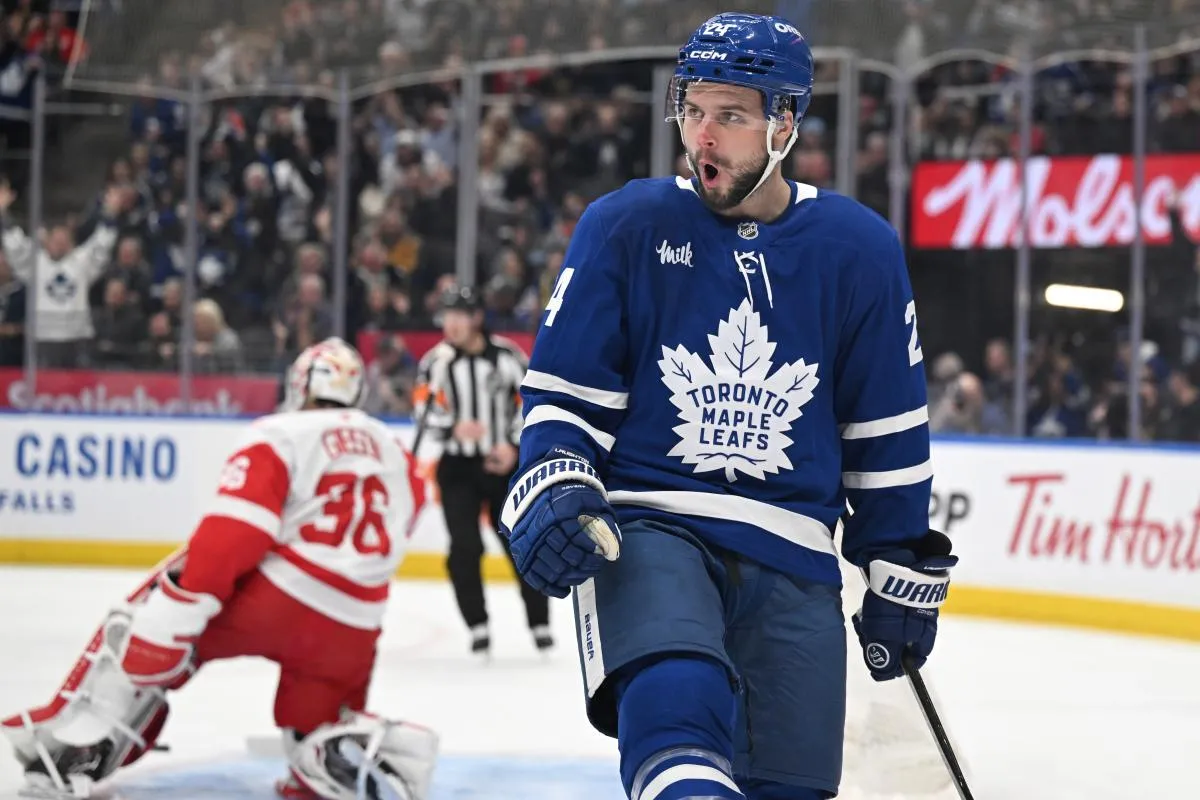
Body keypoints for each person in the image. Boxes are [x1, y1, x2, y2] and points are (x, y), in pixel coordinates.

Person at [498, 12, 957, 800]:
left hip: (795, 552)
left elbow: (884, 434)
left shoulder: (860, 250)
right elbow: (564, 398)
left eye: (731, 116)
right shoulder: (625, 227)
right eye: (694, 110)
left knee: (789, 785)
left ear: (785, 123)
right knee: (679, 712)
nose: (703, 136)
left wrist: (899, 565)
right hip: (649, 525)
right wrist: (555, 478)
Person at [1, 338, 440, 800]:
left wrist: (180, 608)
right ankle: (326, 760)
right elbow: (405, 519)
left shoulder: (280, 433)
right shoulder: (396, 450)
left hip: (278, 604)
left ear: (300, 385)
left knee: (154, 616)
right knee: (317, 732)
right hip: (355, 627)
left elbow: (233, 533)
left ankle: (81, 747)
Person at [414, 286, 551, 657]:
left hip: (502, 466)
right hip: (458, 467)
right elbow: (423, 409)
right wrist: (452, 427)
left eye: (459, 315)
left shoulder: (508, 356)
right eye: (447, 316)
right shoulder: (436, 362)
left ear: (476, 318)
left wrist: (512, 445)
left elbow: (531, 402)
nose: (451, 324)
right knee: (464, 547)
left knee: (520, 542)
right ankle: (478, 625)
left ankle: (540, 623)